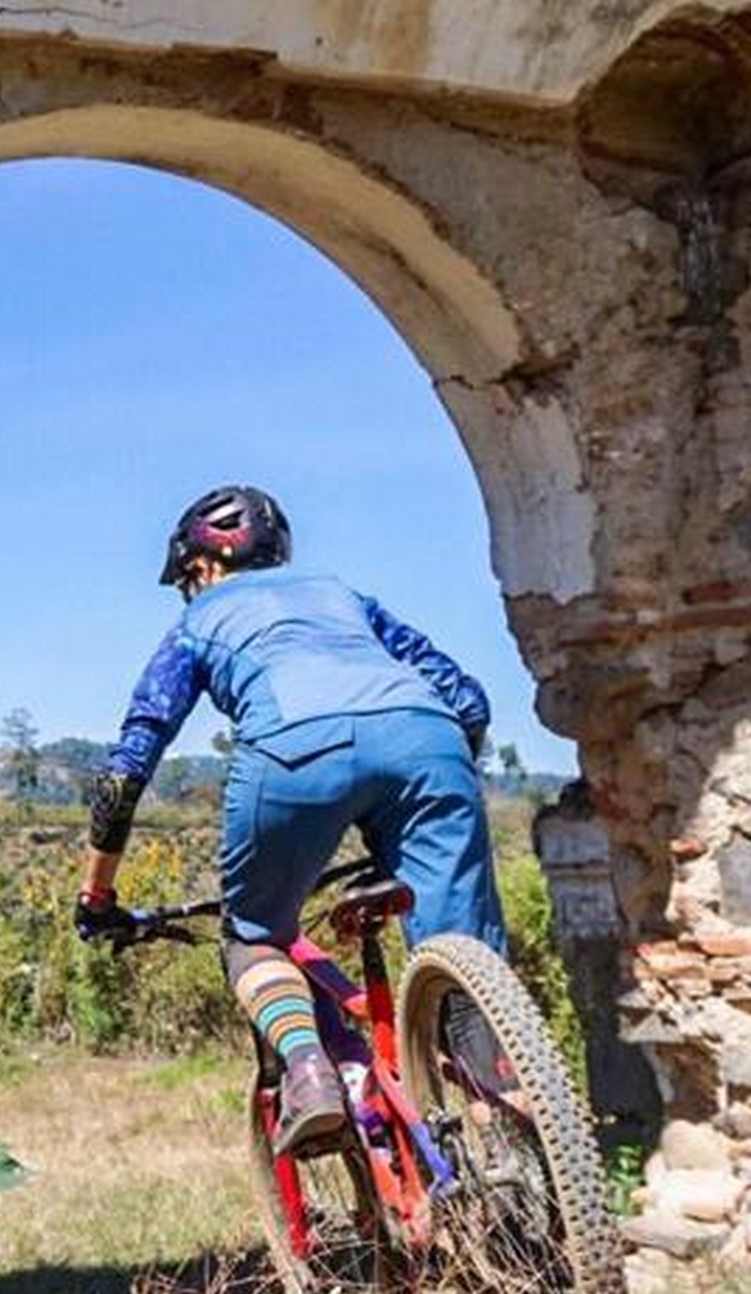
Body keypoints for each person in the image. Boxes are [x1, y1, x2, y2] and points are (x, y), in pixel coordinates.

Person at [74, 484, 505, 1157]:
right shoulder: (343, 597)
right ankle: (522, 1149)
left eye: (187, 580)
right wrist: (418, 804)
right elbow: (467, 701)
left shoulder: (198, 621)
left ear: (203, 568)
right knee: (468, 975)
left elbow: (127, 769)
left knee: (252, 936)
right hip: (431, 743)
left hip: (294, 754)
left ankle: (309, 1071)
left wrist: (95, 896)